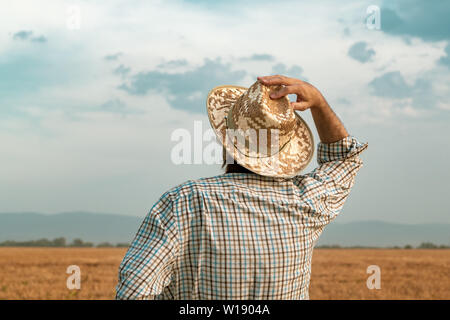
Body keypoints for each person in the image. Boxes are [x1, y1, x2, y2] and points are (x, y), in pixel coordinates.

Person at [116, 74, 368, 300]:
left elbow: (134, 291)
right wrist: (319, 102)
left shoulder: (184, 202)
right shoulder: (307, 201)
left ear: (227, 142)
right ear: (285, 151)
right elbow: (344, 159)